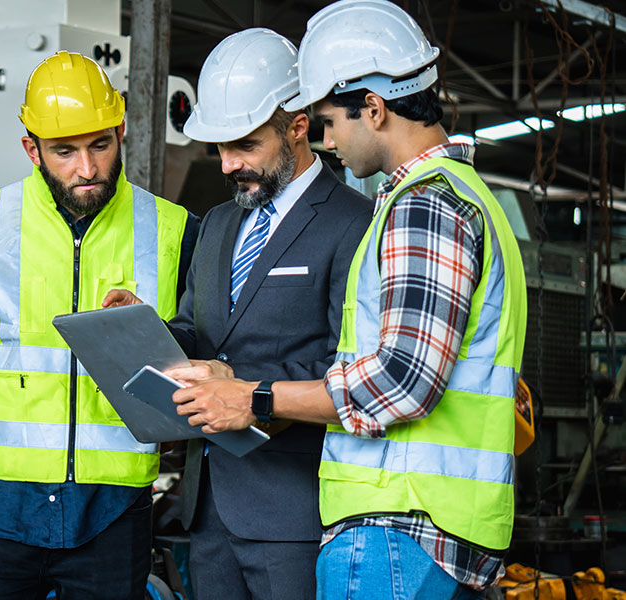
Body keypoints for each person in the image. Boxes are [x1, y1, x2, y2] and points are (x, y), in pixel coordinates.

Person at [168, 1, 527, 598]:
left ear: (375, 108)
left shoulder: (423, 206)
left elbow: (400, 380)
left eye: (329, 122)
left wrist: (253, 396)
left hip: (401, 523)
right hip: (423, 525)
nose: (330, 142)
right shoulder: (452, 198)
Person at [0, 50, 199, 599]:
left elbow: (206, 364)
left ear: (120, 131)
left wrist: (153, 338)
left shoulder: (174, 231)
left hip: (113, 515)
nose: (86, 169)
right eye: (64, 151)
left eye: (100, 146)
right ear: (32, 149)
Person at [106, 28, 371, 600]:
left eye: (244, 146)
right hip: (208, 509)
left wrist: (249, 392)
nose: (227, 165)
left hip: (295, 510)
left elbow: (349, 365)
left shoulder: (354, 223)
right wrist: (144, 330)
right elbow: (196, 333)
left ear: (297, 126)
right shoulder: (220, 224)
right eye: (219, 148)